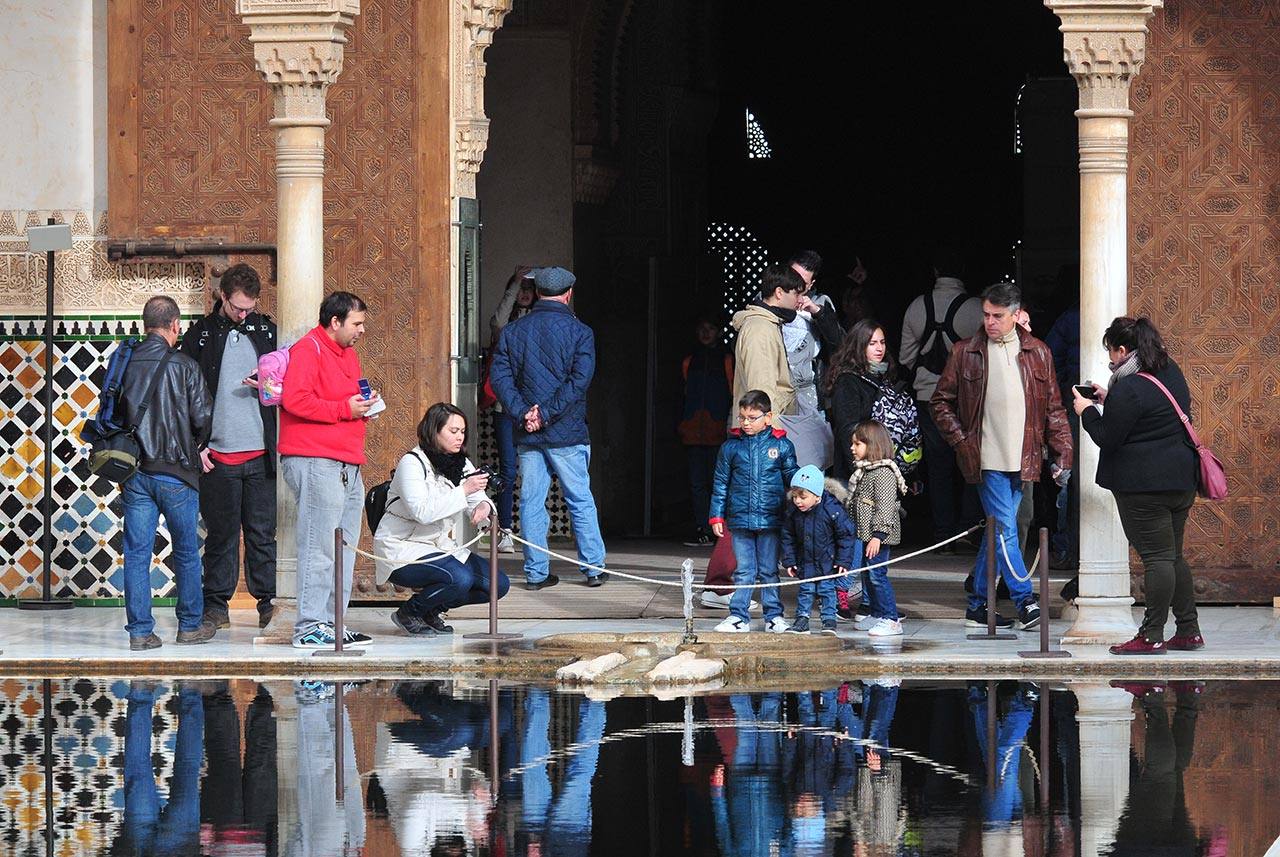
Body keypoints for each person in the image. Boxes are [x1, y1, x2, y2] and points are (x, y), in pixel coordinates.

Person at [931, 283, 1074, 632]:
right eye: (986, 315)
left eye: (997, 316)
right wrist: (962, 441)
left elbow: (1054, 408)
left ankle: (979, 605)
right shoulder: (967, 352)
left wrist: (1063, 452)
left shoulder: (1038, 352)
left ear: (1014, 315)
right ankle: (1025, 600)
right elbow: (940, 402)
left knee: (999, 531)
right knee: (1007, 528)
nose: (990, 322)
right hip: (986, 458)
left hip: (1024, 458)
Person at [1073, 317, 1202, 656]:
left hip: (1145, 487)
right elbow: (1147, 413)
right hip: (1181, 479)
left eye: (1111, 353)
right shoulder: (1168, 369)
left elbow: (1107, 437)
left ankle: (1151, 635)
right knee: (1173, 555)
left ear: (1123, 349)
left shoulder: (1128, 387)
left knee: (1157, 558)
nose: (1110, 361)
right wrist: (1106, 398)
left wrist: (1087, 411)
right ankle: (1188, 630)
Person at [488, 265, 609, 590]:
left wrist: (524, 412)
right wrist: (547, 413)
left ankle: (536, 573)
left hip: (528, 434)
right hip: (567, 432)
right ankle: (593, 568)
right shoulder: (581, 332)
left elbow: (499, 378)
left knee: (531, 501)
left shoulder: (514, 331)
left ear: (537, 292)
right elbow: (578, 382)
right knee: (579, 499)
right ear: (568, 294)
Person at [180, 263, 279, 631]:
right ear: (223, 296)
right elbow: (183, 397)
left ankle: (268, 603)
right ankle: (216, 607)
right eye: (238, 307)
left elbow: (288, 389)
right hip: (217, 456)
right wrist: (196, 446)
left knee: (261, 534)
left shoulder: (267, 331)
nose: (243, 314)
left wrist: (268, 387)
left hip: (261, 455)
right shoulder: (199, 336)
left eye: (249, 308)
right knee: (220, 536)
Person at [279, 291, 379, 649]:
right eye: (357, 323)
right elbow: (295, 400)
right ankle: (308, 626)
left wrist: (362, 406)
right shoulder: (309, 349)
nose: (362, 330)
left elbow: (347, 399)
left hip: (347, 460)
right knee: (319, 545)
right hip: (315, 459)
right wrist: (343, 410)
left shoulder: (348, 354)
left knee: (344, 546)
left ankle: (334, 624)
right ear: (334, 322)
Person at [119, 295, 215, 650]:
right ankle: (189, 626)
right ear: (175, 325)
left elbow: (112, 413)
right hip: (177, 474)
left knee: (137, 554)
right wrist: (194, 445)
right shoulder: (185, 366)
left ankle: (140, 632)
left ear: (145, 325)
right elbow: (203, 419)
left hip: (135, 472)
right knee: (188, 552)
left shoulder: (124, 362)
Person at [373, 403, 510, 637]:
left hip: (439, 546)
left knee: (497, 584)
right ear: (434, 431)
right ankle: (409, 612)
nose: (459, 438)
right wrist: (464, 490)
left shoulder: (461, 463)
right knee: (460, 578)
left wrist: (484, 507)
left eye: (463, 432)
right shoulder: (412, 463)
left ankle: (430, 611)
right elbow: (422, 513)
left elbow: (477, 497)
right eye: (453, 431)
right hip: (402, 546)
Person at [899, 251, 983, 550]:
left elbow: (906, 358)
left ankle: (943, 533)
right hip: (968, 399)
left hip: (927, 397)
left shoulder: (916, 307)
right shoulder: (976, 309)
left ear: (935, 270)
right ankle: (968, 531)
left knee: (938, 467)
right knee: (972, 463)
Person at [708, 390, 798, 633]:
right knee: (744, 571)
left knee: (769, 570)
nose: (746, 423)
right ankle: (739, 616)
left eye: (752, 417)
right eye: (742, 417)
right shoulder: (730, 448)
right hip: (739, 519)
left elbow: (793, 479)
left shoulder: (782, 445)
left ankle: (774, 616)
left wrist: (810, 487)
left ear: (768, 417)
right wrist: (716, 515)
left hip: (772, 519)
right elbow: (720, 483)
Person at [485, 265, 538, 553]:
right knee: (508, 469)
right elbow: (497, 321)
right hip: (506, 408)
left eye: (529, 289)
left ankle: (533, 534)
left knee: (535, 470)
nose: (524, 294)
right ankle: (505, 529)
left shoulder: (540, 321)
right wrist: (514, 283)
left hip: (534, 409)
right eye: (520, 289)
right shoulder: (506, 327)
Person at [842, 420, 909, 637]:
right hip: (865, 534)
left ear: (873, 446)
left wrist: (878, 536)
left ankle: (890, 618)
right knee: (867, 574)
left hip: (878, 536)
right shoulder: (865, 472)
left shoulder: (883, 473)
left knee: (877, 575)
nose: (852, 448)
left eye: (858, 444)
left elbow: (886, 506)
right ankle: (877, 613)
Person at [781, 465, 856, 636]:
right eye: (795, 497)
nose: (798, 501)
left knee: (827, 591)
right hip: (805, 560)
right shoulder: (793, 512)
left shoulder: (832, 510)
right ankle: (802, 619)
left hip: (827, 562)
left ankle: (829, 620)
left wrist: (843, 561)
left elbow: (846, 536)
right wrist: (789, 560)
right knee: (805, 591)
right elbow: (788, 536)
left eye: (803, 497)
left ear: (817, 496)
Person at [678, 317, 734, 547]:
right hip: (692, 431)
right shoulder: (689, 361)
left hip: (717, 430)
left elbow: (732, 393)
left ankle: (718, 529)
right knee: (696, 483)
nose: (705, 333)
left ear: (719, 332)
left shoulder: (727, 360)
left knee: (717, 482)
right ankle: (701, 528)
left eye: (710, 328)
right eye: (701, 328)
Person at [729, 264, 803, 430]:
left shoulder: (768, 325)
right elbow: (760, 393)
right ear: (779, 292)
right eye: (796, 293)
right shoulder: (760, 330)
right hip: (763, 437)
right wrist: (769, 438)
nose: (799, 300)